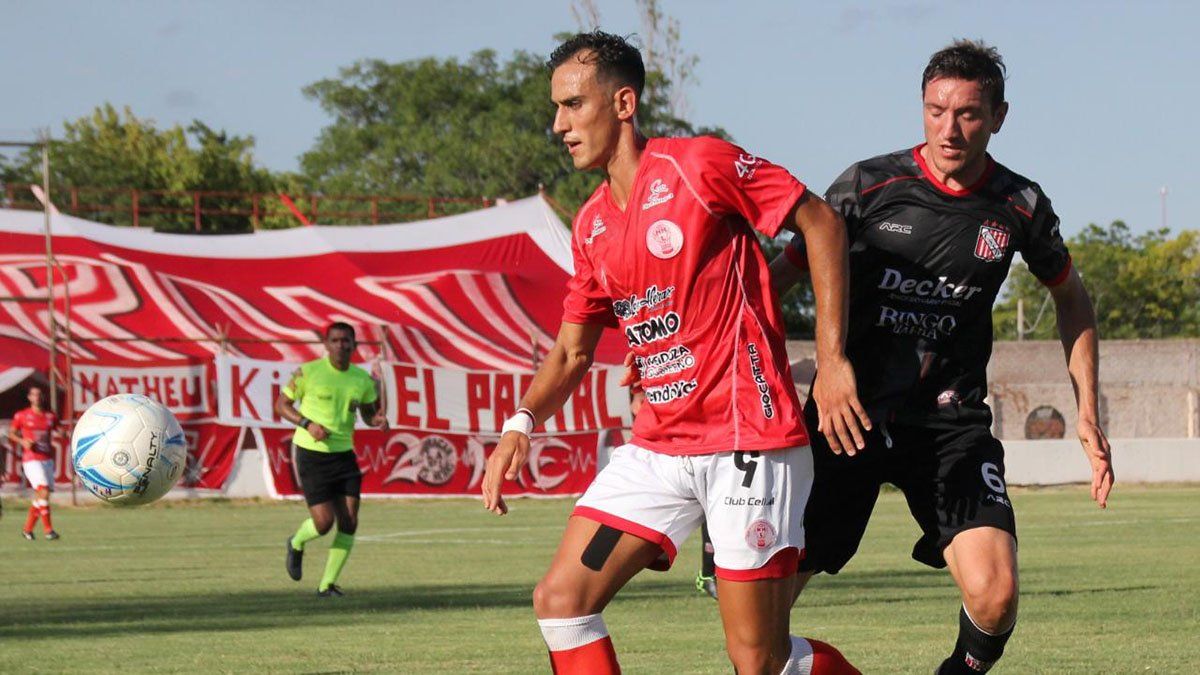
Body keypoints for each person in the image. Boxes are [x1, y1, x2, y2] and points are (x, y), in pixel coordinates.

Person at [482, 30, 864, 674]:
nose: (559, 125)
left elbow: (822, 222)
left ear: (624, 103)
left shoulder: (699, 165)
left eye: (573, 105)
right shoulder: (592, 224)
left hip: (749, 443)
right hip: (658, 450)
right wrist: (520, 424)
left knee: (760, 661)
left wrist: (831, 362)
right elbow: (572, 352)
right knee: (561, 601)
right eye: (556, 108)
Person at [768, 40, 1115, 674]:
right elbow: (775, 280)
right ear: (922, 108)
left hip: (949, 424)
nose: (949, 129)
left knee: (996, 595)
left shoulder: (1020, 206)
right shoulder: (868, 186)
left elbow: (1073, 301)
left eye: (969, 114)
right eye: (935, 111)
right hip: (849, 417)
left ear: (999, 116)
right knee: (761, 623)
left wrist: (1087, 411)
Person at [274, 322, 388, 598]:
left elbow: (369, 415)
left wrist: (378, 421)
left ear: (354, 345)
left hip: (344, 455)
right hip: (311, 456)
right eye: (335, 340)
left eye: (346, 340)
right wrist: (307, 423)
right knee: (324, 524)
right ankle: (297, 542)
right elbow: (281, 405)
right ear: (326, 345)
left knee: (349, 520)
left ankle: (327, 585)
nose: (341, 345)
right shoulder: (309, 372)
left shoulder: (361, 380)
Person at [8, 385, 60, 541]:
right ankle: (48, 530)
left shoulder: (50, 416)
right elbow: (11, 433)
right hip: (31, 459)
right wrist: (22, 441)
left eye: (39, 394)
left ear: (42, 397)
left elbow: (59, 429)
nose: (37, 397)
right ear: (29, 397)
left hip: (47, 459)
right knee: (43, 490)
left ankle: (27, 530)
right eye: (34, 395)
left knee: (41, 496)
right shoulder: (22, 415)